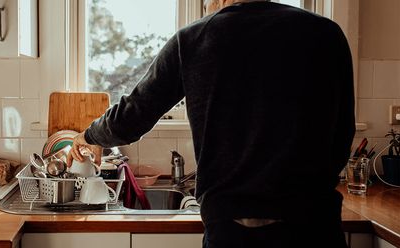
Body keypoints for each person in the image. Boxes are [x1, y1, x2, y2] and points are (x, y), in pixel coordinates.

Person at [67, 0, 355, 247]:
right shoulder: (326, 33)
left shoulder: (195, 38)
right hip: (314, 223)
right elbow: (343, 134)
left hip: (234, 227)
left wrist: (89, 136)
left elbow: (132, 117)